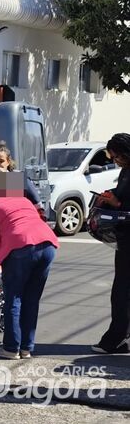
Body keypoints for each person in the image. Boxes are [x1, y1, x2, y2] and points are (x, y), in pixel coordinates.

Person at [0, 171, 58, 359]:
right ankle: (26, 348)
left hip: (21, 247)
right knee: (31, 299)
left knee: (14, 299)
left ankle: (10, 348)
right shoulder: (24, 200)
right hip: (48, 244)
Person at [91, 133, 130, 354]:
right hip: (124, 238)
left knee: (122, 292)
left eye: (117, 157)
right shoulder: (126, 170)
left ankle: (115, 340)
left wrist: (116, 201)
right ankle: (121, 337)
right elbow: (122, 194)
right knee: (123, 291)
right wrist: (110, 195)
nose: (115, 161)